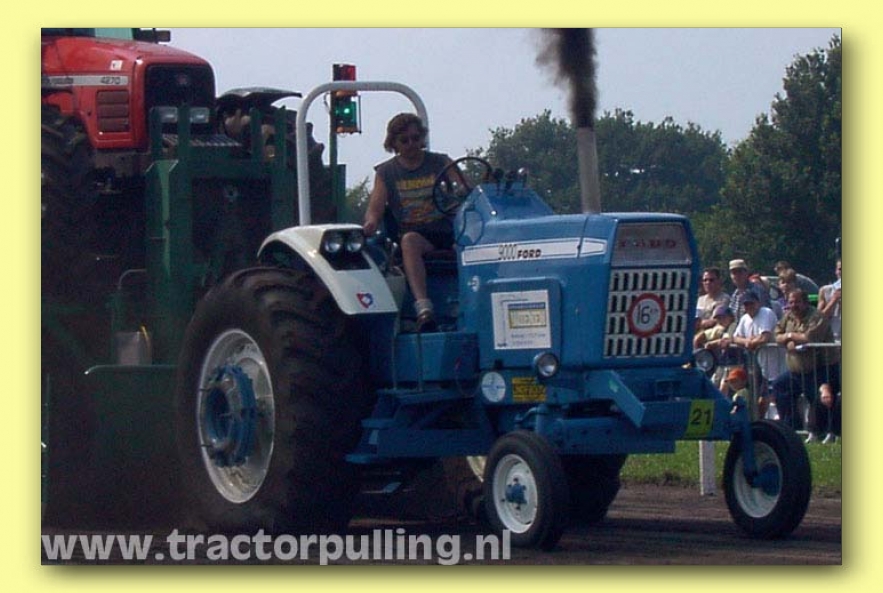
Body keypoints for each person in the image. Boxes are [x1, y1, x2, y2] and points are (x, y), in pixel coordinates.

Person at [363, 113, 454, 332]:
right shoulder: (386, 172)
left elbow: (465, 189)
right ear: (393, 144)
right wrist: (370, 224)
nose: (412, 144)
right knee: (409, 241)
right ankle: (423, 308)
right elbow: (375, 208)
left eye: (416, 138)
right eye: (405, 140)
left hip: (448, 230)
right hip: (418, 236)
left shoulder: (441, 162)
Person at [770, 289, 841, 437]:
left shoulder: (817, 317)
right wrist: (790, 339)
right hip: (796, 370)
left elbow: (810, 338)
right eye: (791, 302)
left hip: (820, 369)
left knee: (821, 398)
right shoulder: (788, 316)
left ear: (806, 302)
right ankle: (791, 430)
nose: (793, 305)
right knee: (780, 386)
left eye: (797, 302)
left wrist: (789, 336)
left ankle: (826, 432)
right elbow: (776, 335)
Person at [722, 291, 779, 417]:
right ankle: (757, 422)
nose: (749, 307)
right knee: (758, 399)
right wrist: (748, 341)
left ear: (758, 303)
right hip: (758, 364)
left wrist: (752, 342)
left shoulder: (766, 313)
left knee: (770, 399)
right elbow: (735, 338)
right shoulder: (745, 318)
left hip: (774, 365)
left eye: (751, 303)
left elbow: (764, 337)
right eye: (746, 304)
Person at [695, 267, 730, 333]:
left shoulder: (724, 299)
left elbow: (714, 321)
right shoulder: (700, 300)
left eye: (711, 280)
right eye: (705, 280)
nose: (707, 282)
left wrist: (697, 324)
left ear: (719, 281)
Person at [818, 258, 842, 341]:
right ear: (836, 271)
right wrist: (834, 300)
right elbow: (818, 318)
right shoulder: (825, 291)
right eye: (840, 269)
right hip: (833, 338)